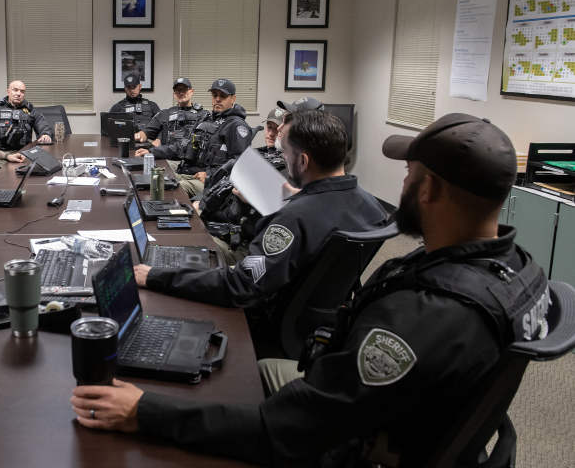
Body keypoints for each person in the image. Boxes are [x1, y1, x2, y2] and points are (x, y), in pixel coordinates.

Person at [71, 113, 549, 468]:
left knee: (218, 382)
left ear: (429, 191)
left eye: (409, 175)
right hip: (406, 414)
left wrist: (145, 411)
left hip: (357, 441)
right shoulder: (519, 270)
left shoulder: (423, 316)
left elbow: (287, 429)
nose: (403, 184)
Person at [136, 109, 387, 351]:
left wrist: (158, 277)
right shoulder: (373, 208)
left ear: (303, 160)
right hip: (323, 328)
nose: (283, 159)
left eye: (285, 152)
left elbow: (241, 286)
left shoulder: (292, 219)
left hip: (267, 329)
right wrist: (300, 197)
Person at [198, 106, 287, 265]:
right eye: (269, 127)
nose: (272, 133)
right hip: (221, 225)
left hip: (245, 246)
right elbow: (221, 182)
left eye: (277, 129)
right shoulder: (253, 155)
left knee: (196, 249)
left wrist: (252, 200)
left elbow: (279, 217)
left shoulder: (286, 170)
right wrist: (201, 201)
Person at [137, 78, 251, 198]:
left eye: (223, 96)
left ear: (233, 98)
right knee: (151, 179)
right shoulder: (207, 120)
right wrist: (152, 152)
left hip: (211, 180)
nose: (217, 99)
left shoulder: (236, 126)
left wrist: (210, 174)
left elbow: (240, 163)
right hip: (190, 171)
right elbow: (182, 146)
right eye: (214, 95)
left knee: (168, 191)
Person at [0, 80, 52, 169]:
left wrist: (45, 134)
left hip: (23, 151)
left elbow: (42, 124)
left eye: (22, 91)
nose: (18, 94)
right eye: (15, 90)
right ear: (8, 92)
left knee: (39, 164)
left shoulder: (30, 111)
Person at [136, 77, 207, 150]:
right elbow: (146, 131)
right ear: (174, 94)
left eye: (185, 89)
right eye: (178, 90)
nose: (181, 93)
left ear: (192, 91)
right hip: (168, 155)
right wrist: (139, 136)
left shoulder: (203, 115)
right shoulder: (165, 114)